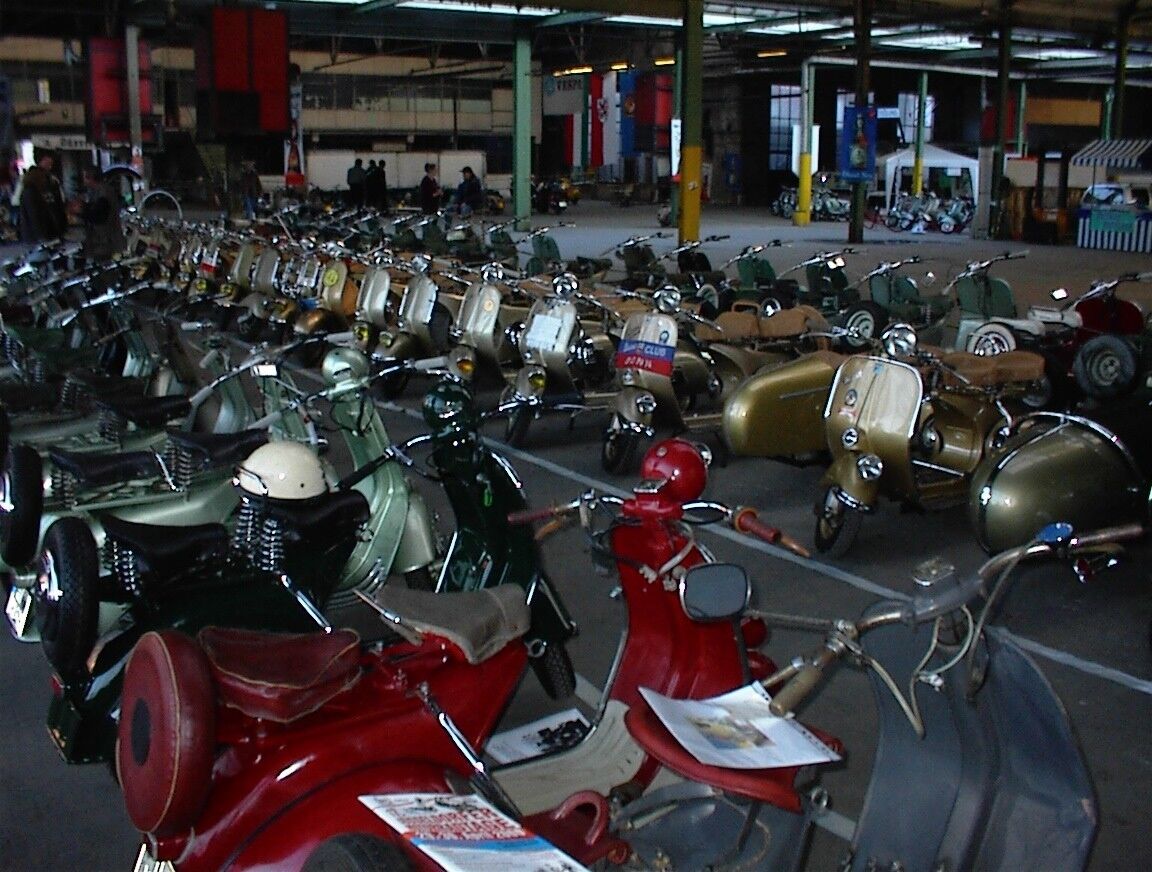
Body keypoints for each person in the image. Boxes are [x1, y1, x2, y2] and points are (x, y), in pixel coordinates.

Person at [73, 164, 125, 261]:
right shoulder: (97, 191)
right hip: (103, 240)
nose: (83, 180)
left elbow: (99, 216)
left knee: (104, 265)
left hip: (105, 241)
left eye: (85, 177)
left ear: (90, 177)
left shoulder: (103, 192)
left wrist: (80, 212)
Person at [18, 149, 66, 244]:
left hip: (49, 231)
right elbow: (34, 215)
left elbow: (57, 205)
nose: (50, 166)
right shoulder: (31, 190)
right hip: (41, 234)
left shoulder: (51, 183)